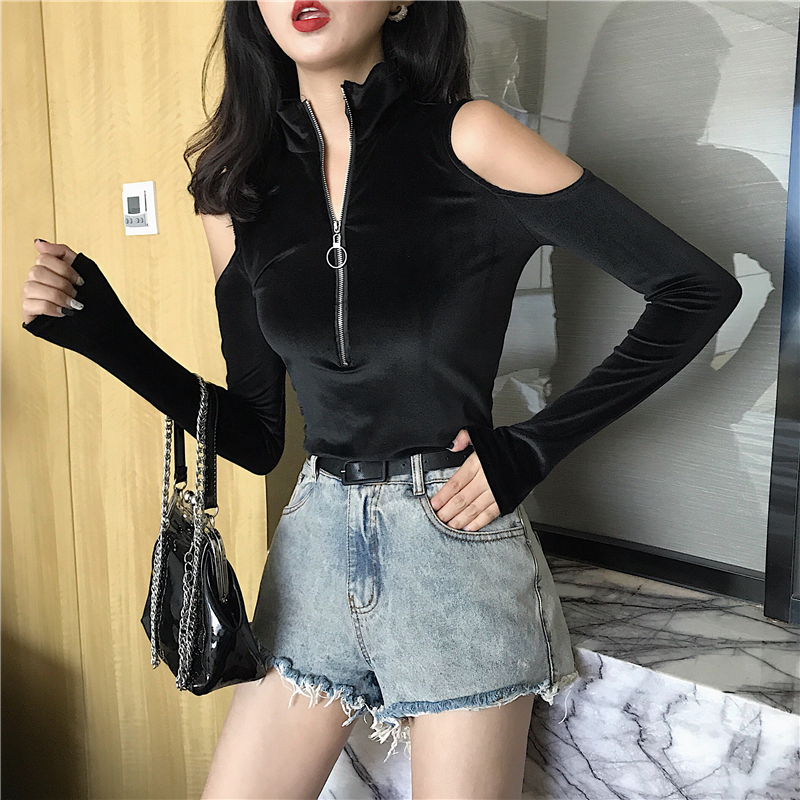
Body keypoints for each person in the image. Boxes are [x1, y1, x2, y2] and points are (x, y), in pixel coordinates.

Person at [20, 1, 742, 797]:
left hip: (452, 548)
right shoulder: (236, 192)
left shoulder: (469, 138)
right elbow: (258, 436)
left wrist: (534, 447)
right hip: (312, 553)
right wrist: (108, 338)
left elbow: (695, 290)